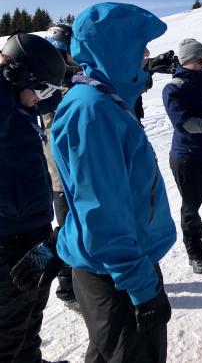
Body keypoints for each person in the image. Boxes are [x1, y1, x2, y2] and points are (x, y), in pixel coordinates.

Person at [51, 2, 177, 362]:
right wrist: (143, 289)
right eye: (140, 47)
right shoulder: (92, 111)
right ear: (115, 49)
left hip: (120, 264)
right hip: (116, 272)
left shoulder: (106, 102)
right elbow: (102, 215)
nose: (146, 56)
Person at [0, 32, 67, 363]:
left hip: (33, 228)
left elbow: (50, 97)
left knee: (32, 310)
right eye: (40, 89)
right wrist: (4, 75)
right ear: (17, 78)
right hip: (7, 240)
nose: (42, 99)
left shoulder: (20, 105)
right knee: (8, 330)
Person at [162, 38, 202, 275]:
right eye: (200, 60)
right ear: (187, 61)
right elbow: (185, 124)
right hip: (187, 158)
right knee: (191, 209)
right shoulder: (174, 88)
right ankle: (196, 254)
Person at [43, 23, 82, 310]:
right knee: (68, 229)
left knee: (78, 226)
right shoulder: (53, 86)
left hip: (72, 173)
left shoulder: (69, 81)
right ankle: (67, 288)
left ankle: (82, 281)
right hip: (63, 176)